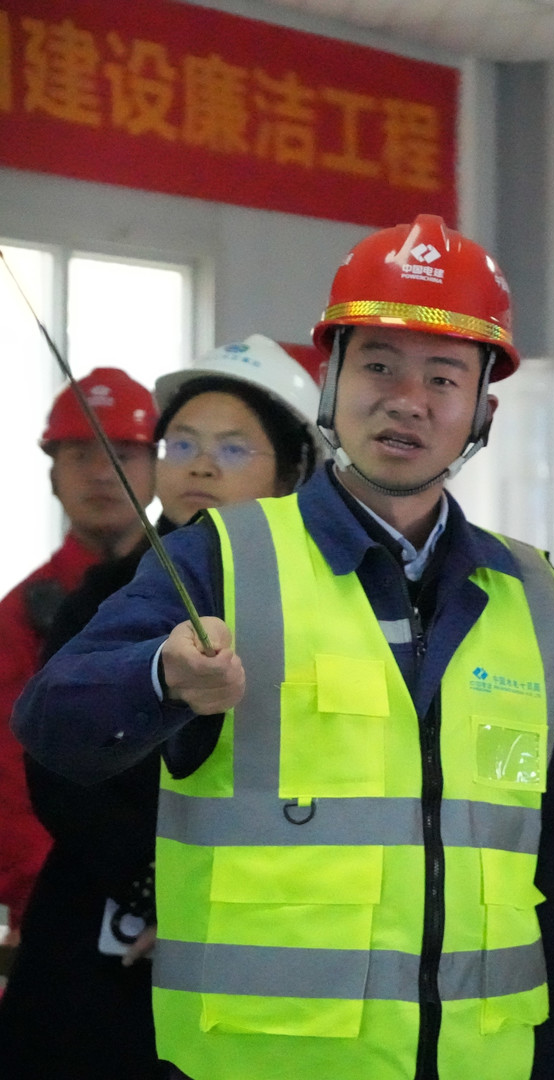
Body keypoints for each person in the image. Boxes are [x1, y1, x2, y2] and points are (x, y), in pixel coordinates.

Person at [15, 215, 554, 1080]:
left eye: (443, 377)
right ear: (330, 382)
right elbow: (52, 724)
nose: (408, 399)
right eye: (378, 366)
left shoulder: (531, 597)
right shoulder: (219, 560)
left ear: (484, 411)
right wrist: (161, 675)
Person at [0, 336, 325, 1079]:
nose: (202, 466)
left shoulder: (327, 608)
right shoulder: (101, 598)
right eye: (182, 444)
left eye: (234, 448)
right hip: (100, 938)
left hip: (269, 942)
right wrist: (154, 890)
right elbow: (54, 763)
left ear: (293, 471)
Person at [0, 368, 156, 938]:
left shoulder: (205, 593)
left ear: (156, 468)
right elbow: (9, 780)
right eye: (80, 454)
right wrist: (50, 899)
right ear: (51, 476)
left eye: (123, 454)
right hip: (64, 907)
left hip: (193, 896)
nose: (102, 473)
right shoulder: (19, 617)